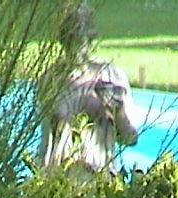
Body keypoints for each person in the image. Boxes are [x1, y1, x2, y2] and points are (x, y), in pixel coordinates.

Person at [39, 2, 138, 172]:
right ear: (62, 39)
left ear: (91, 39)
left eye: (80, 37)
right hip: (59, 183)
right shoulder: (51, 79)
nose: (76, 44)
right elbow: (46, 142)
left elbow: (130, 138)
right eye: (70, 37)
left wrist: (118, 110)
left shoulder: (112, 77)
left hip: (101, 180)